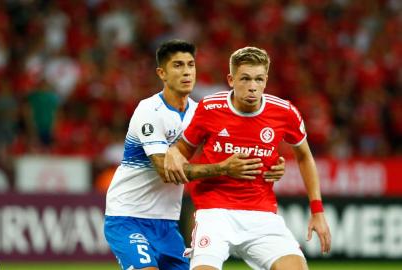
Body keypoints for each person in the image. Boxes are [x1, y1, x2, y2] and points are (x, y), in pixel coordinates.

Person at [103, 40, 286, 270]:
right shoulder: (149, 111)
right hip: (128, 216)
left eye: (190, 64)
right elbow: (167, 171)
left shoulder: (200, 112)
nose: (187, 71)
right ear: (162, 73)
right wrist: (223, 168)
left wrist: (270, 165)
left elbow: (232, 150)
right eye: (178, 65)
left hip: (167, 223)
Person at [164, 46, 331, 270]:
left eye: (258, 79)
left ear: (266, 80)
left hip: (261, 214)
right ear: (231, 80)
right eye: (245, 78)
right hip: (215, 211)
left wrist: (317, 210)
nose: (252, 86)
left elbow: (305, 157)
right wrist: (176, 155)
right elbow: (180, 151)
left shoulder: (285, 112)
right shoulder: (210, 108)